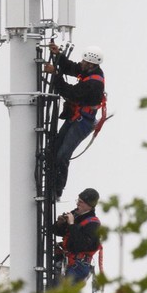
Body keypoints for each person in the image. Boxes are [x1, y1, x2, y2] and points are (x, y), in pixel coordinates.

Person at [43, 44, 105, 199]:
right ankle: (50, 182)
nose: (81, 63)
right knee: (54, 147)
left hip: (83, 121)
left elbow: (71, 93)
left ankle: (56, 190)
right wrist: (59, 55)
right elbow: (72, 68)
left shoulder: (94, 83)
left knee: (63, 155)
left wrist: (56, 74)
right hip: (77, 117)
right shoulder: (89, 71)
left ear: (91, 65)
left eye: (85, 62)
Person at [52, 188, 103, 293]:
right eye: (78, 201)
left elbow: (80, 244)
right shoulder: (76, 215)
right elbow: (56, 231)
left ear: (89, 205)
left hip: (78, 266)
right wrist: (60, 223)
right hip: (67, 262)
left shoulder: (93, 224)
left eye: (81, 202)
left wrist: (72, 225)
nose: (78, 204)